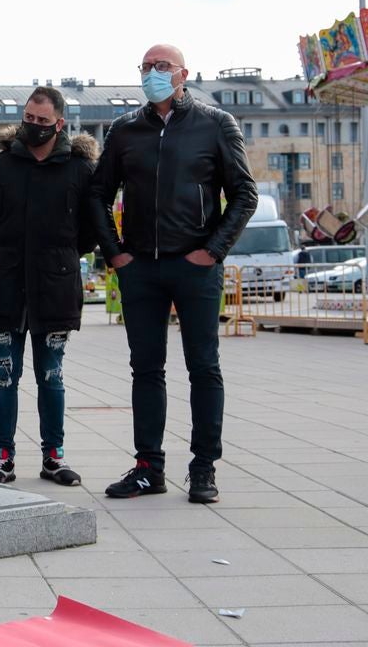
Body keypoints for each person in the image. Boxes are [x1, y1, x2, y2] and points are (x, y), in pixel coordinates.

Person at [89, 44, 257, 504]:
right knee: (146, 369)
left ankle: (203, 468)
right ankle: (149, 468)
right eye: (145, 67)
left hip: (195, 266)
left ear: (182, 73)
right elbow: (97, 193)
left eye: (160, 66)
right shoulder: (125, 130)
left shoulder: (215, 124)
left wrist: (213, 251)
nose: (151, 73)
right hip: (140, 267)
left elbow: (244, 193)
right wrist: (115, 254)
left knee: (203, 367)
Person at [0, 86, 98, 486]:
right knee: (3, 375)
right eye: (29, 118)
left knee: (52, 377)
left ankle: (53, 458)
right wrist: (8, 254)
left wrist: (58, 258)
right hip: (5, 284)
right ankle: (2, 458)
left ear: (59, 124)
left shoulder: (79, 170)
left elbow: (90, 231)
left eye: (43, 122)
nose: (34, 127)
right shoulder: (0, 166)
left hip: (55, 288)